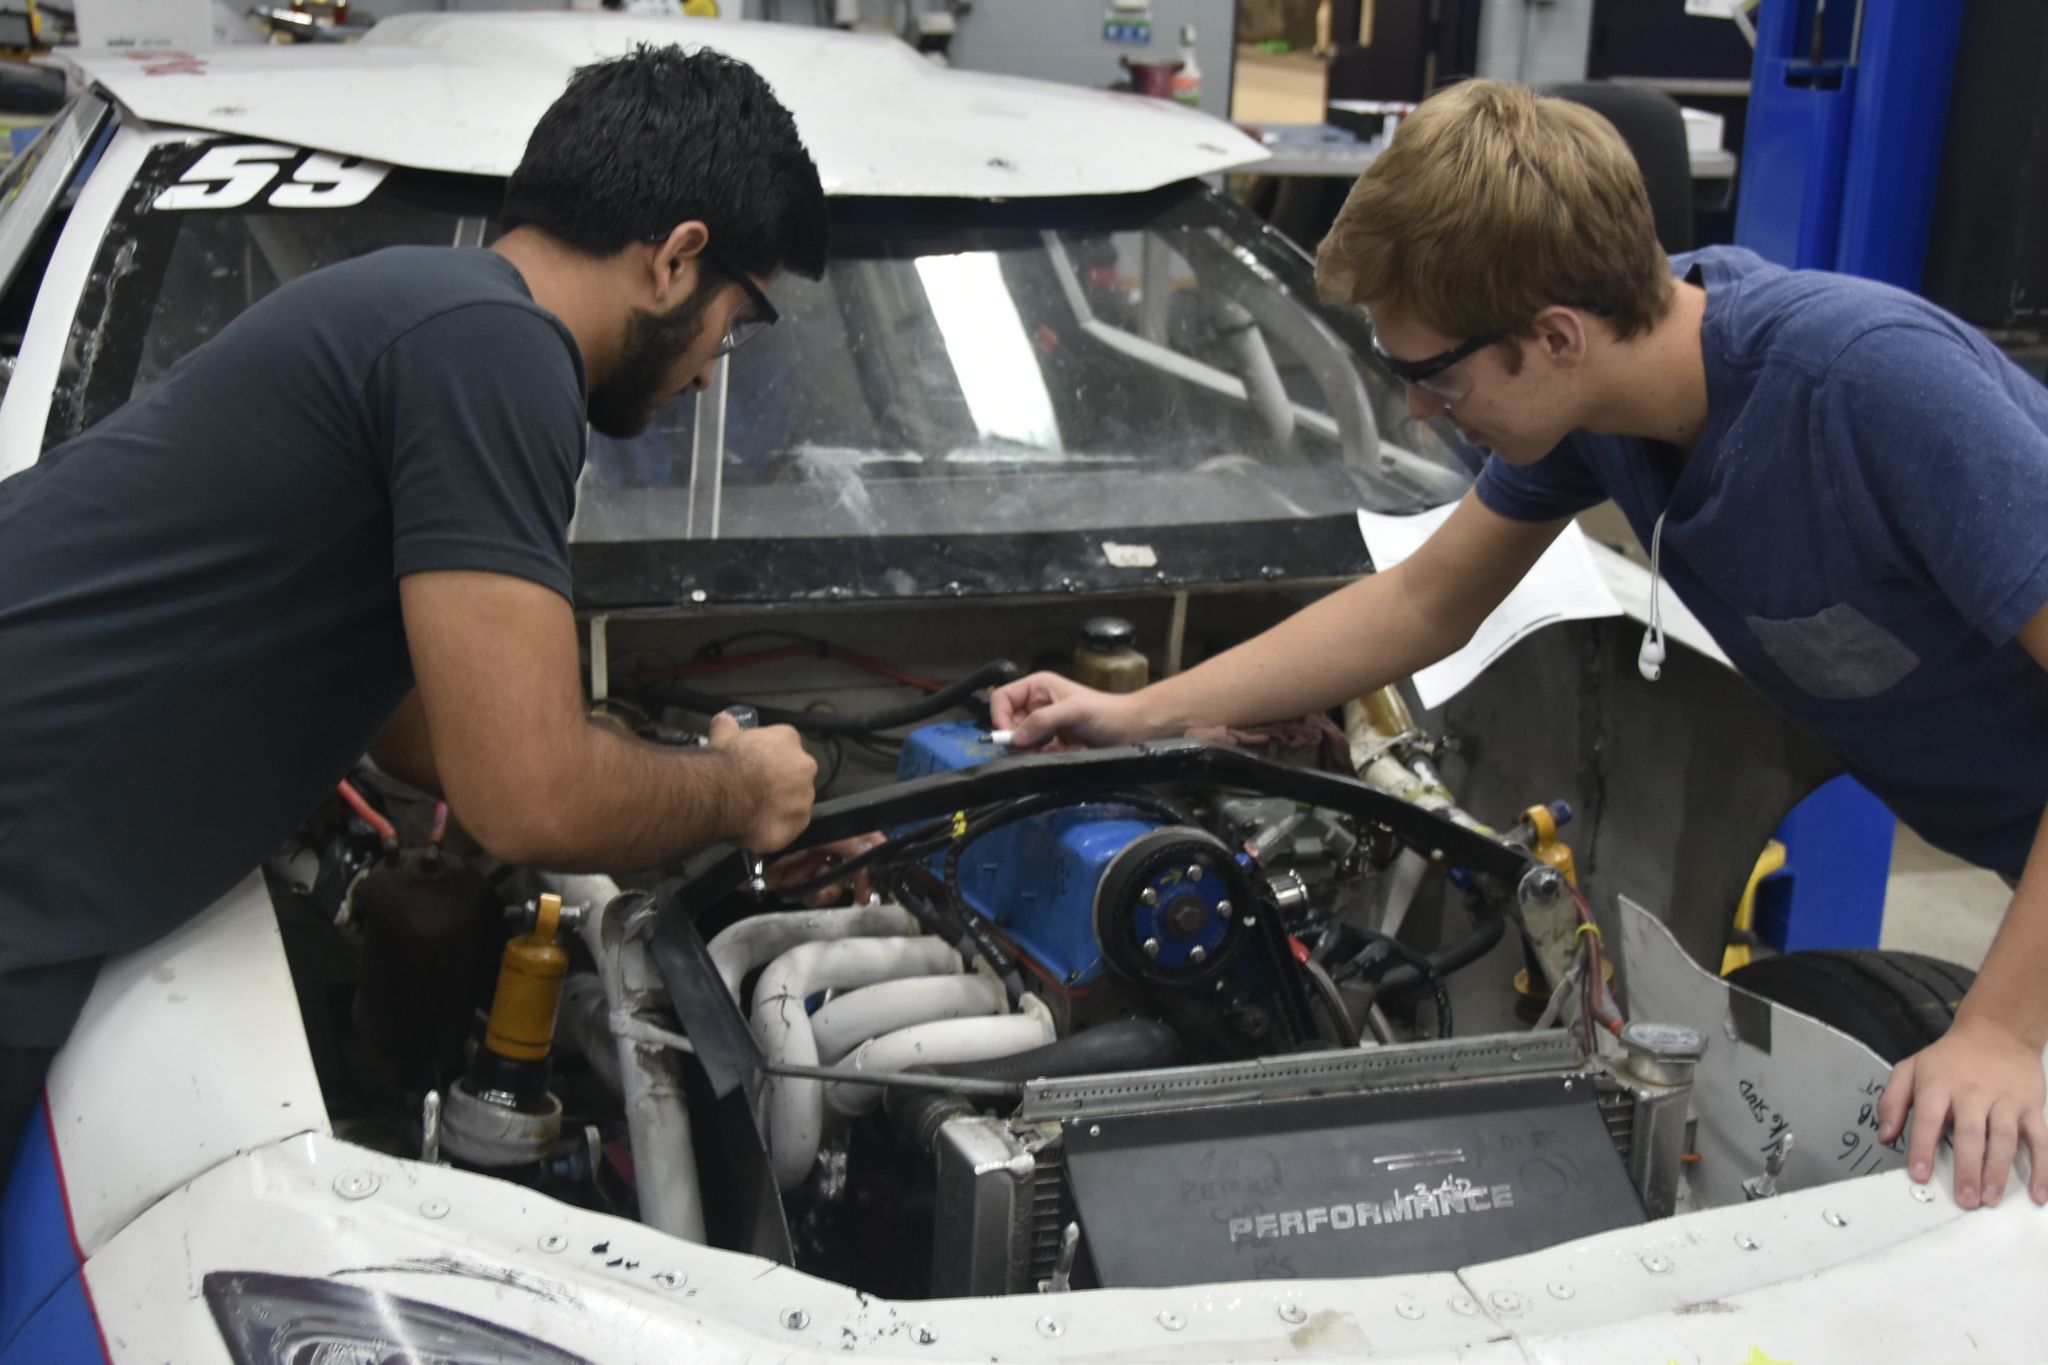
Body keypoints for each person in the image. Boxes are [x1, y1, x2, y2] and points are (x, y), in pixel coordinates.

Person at [992, 78, 2048, 1213]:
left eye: (1431, 377)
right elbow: (1420, 604)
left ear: (1552, 336)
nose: (1417, 415)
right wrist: (1144, 714)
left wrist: (1994, 1030)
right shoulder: (1608, 418)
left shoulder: (1869, 391)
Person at [0, 46, 833, 1167]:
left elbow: (412, 724)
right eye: (734, 324)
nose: (707, 374)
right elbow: (524, 800)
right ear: (677, 258)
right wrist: (737, 791)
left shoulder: (432, 311)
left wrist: (622, 756)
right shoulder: (496, 349)